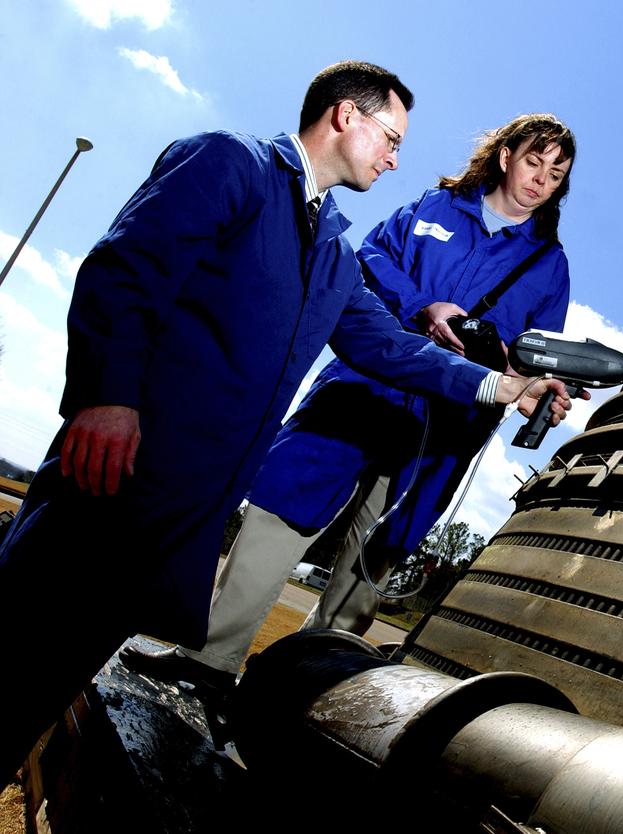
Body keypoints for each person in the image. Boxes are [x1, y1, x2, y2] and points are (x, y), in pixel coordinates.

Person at [0, 63, 573, 775]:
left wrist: (501, 386)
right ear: (344, 117)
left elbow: (386, 347)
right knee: (15, 650)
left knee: (45, 686)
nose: (396, 156)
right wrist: (107, 399)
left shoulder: (330, 248)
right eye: (390, 137)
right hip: (118, 465)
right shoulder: (231, 162)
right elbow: (125, 270)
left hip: (182, 504)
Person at [120, 114, 579, 689]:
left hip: (448, 421)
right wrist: (426, 307)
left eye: (556, 174)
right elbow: (370, 259)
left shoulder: (549, 265)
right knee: (281, 502)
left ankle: (301, 694)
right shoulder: (434, 208)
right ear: (507, 156)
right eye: (534, 162)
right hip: (365, 383)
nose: (541, 180)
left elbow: (538, 355)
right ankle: (208, 660)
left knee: (380, 549)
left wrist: (533, 384)